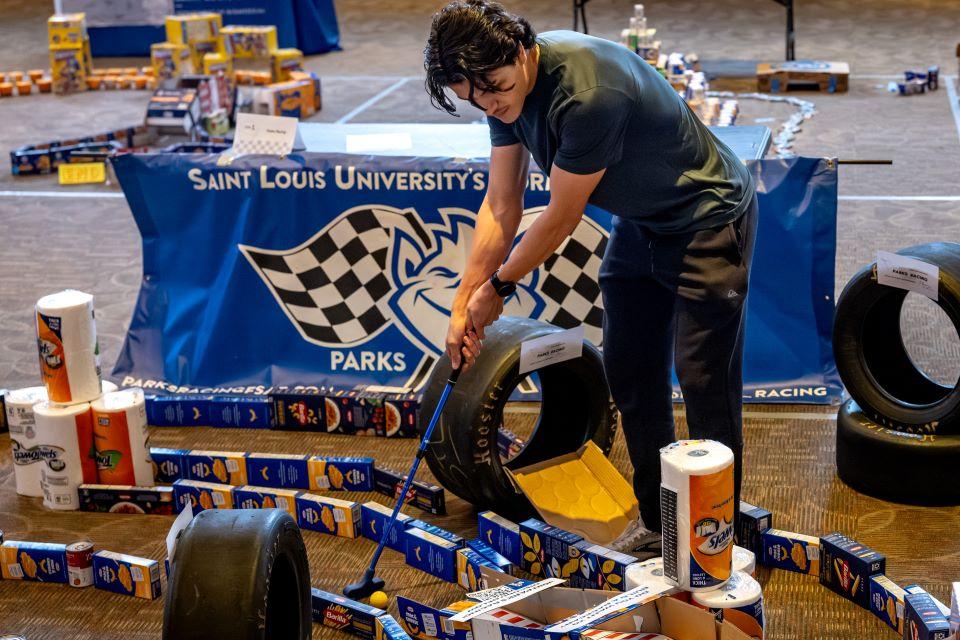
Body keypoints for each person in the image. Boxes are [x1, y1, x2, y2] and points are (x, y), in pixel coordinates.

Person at [424, 0, 757, 553]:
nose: (490, 105)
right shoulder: (496, 88)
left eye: (495, 89)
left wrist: (500, 287)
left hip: (707, 218)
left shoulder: (587, 95)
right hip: (643, 219)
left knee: (703, 382)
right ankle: (659, 521)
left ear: (523, 51)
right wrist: (463, 304)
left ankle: (715, 539)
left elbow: (560, 216)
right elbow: (502, 205)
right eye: (473, 98)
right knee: (629, 369)